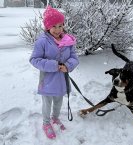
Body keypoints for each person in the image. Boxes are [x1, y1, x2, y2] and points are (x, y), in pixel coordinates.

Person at [29, 6, 79, 139]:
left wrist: (68, 66)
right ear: (47, 27)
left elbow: (74, 57)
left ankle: (55, 118)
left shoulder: (68, 41)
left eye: (60, 26)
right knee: (47, 103)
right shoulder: (42, 42)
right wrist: (54, 65)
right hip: (47, 80)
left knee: (58, 102)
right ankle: (46, 123)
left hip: (62, 79)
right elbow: (34, 59)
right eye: (54, 26)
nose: (58, 29)